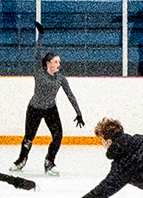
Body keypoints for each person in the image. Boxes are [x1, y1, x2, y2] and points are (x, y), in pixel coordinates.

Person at [13, 44, 87, 175]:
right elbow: (37, 54)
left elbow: (70, 95)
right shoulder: (39, 72)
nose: (59, 64)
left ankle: (49, 161)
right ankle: (21, 160)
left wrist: (78, 113)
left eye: (59, 62)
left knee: (58, 136)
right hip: (34, 108)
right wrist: (40, 36)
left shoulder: (61, 78)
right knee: (29, 138)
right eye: (56, 61)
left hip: (50, 109)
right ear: (48, 63)